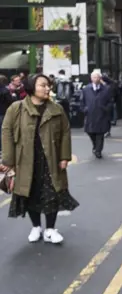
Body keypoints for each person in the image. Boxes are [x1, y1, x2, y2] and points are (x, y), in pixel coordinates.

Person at [1, 74, 78, 244]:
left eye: (48, 85)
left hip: (50, 160)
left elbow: (65, 132)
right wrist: (8, 160)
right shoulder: (16, 108)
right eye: (43, 85)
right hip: (25, 160)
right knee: (30, 193)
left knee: (52, 193)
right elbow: (7, 132)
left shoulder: (56, 109)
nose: (47, 88)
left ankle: (50, 229)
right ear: (31, 87)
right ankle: (36, 226)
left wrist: (64, 156)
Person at [81, 70, 112, 159]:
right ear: (91, 78)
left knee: (100, 133)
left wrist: (106, 109)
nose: (96, 79)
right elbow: (82, 101)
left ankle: (98, 150)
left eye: (97, 77)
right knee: (90, 132)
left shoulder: (106, 89)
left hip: (101, 114)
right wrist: (84, 109)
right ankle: (95, 145)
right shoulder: (86, 89)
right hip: (90, 114)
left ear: (100, 78)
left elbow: (110, 101)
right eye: (94, 77)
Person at [0, 75, 14, 159]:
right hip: (3, 113)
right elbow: (10, 101)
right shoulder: (5, 91)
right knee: (3, 131)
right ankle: (2, 148)